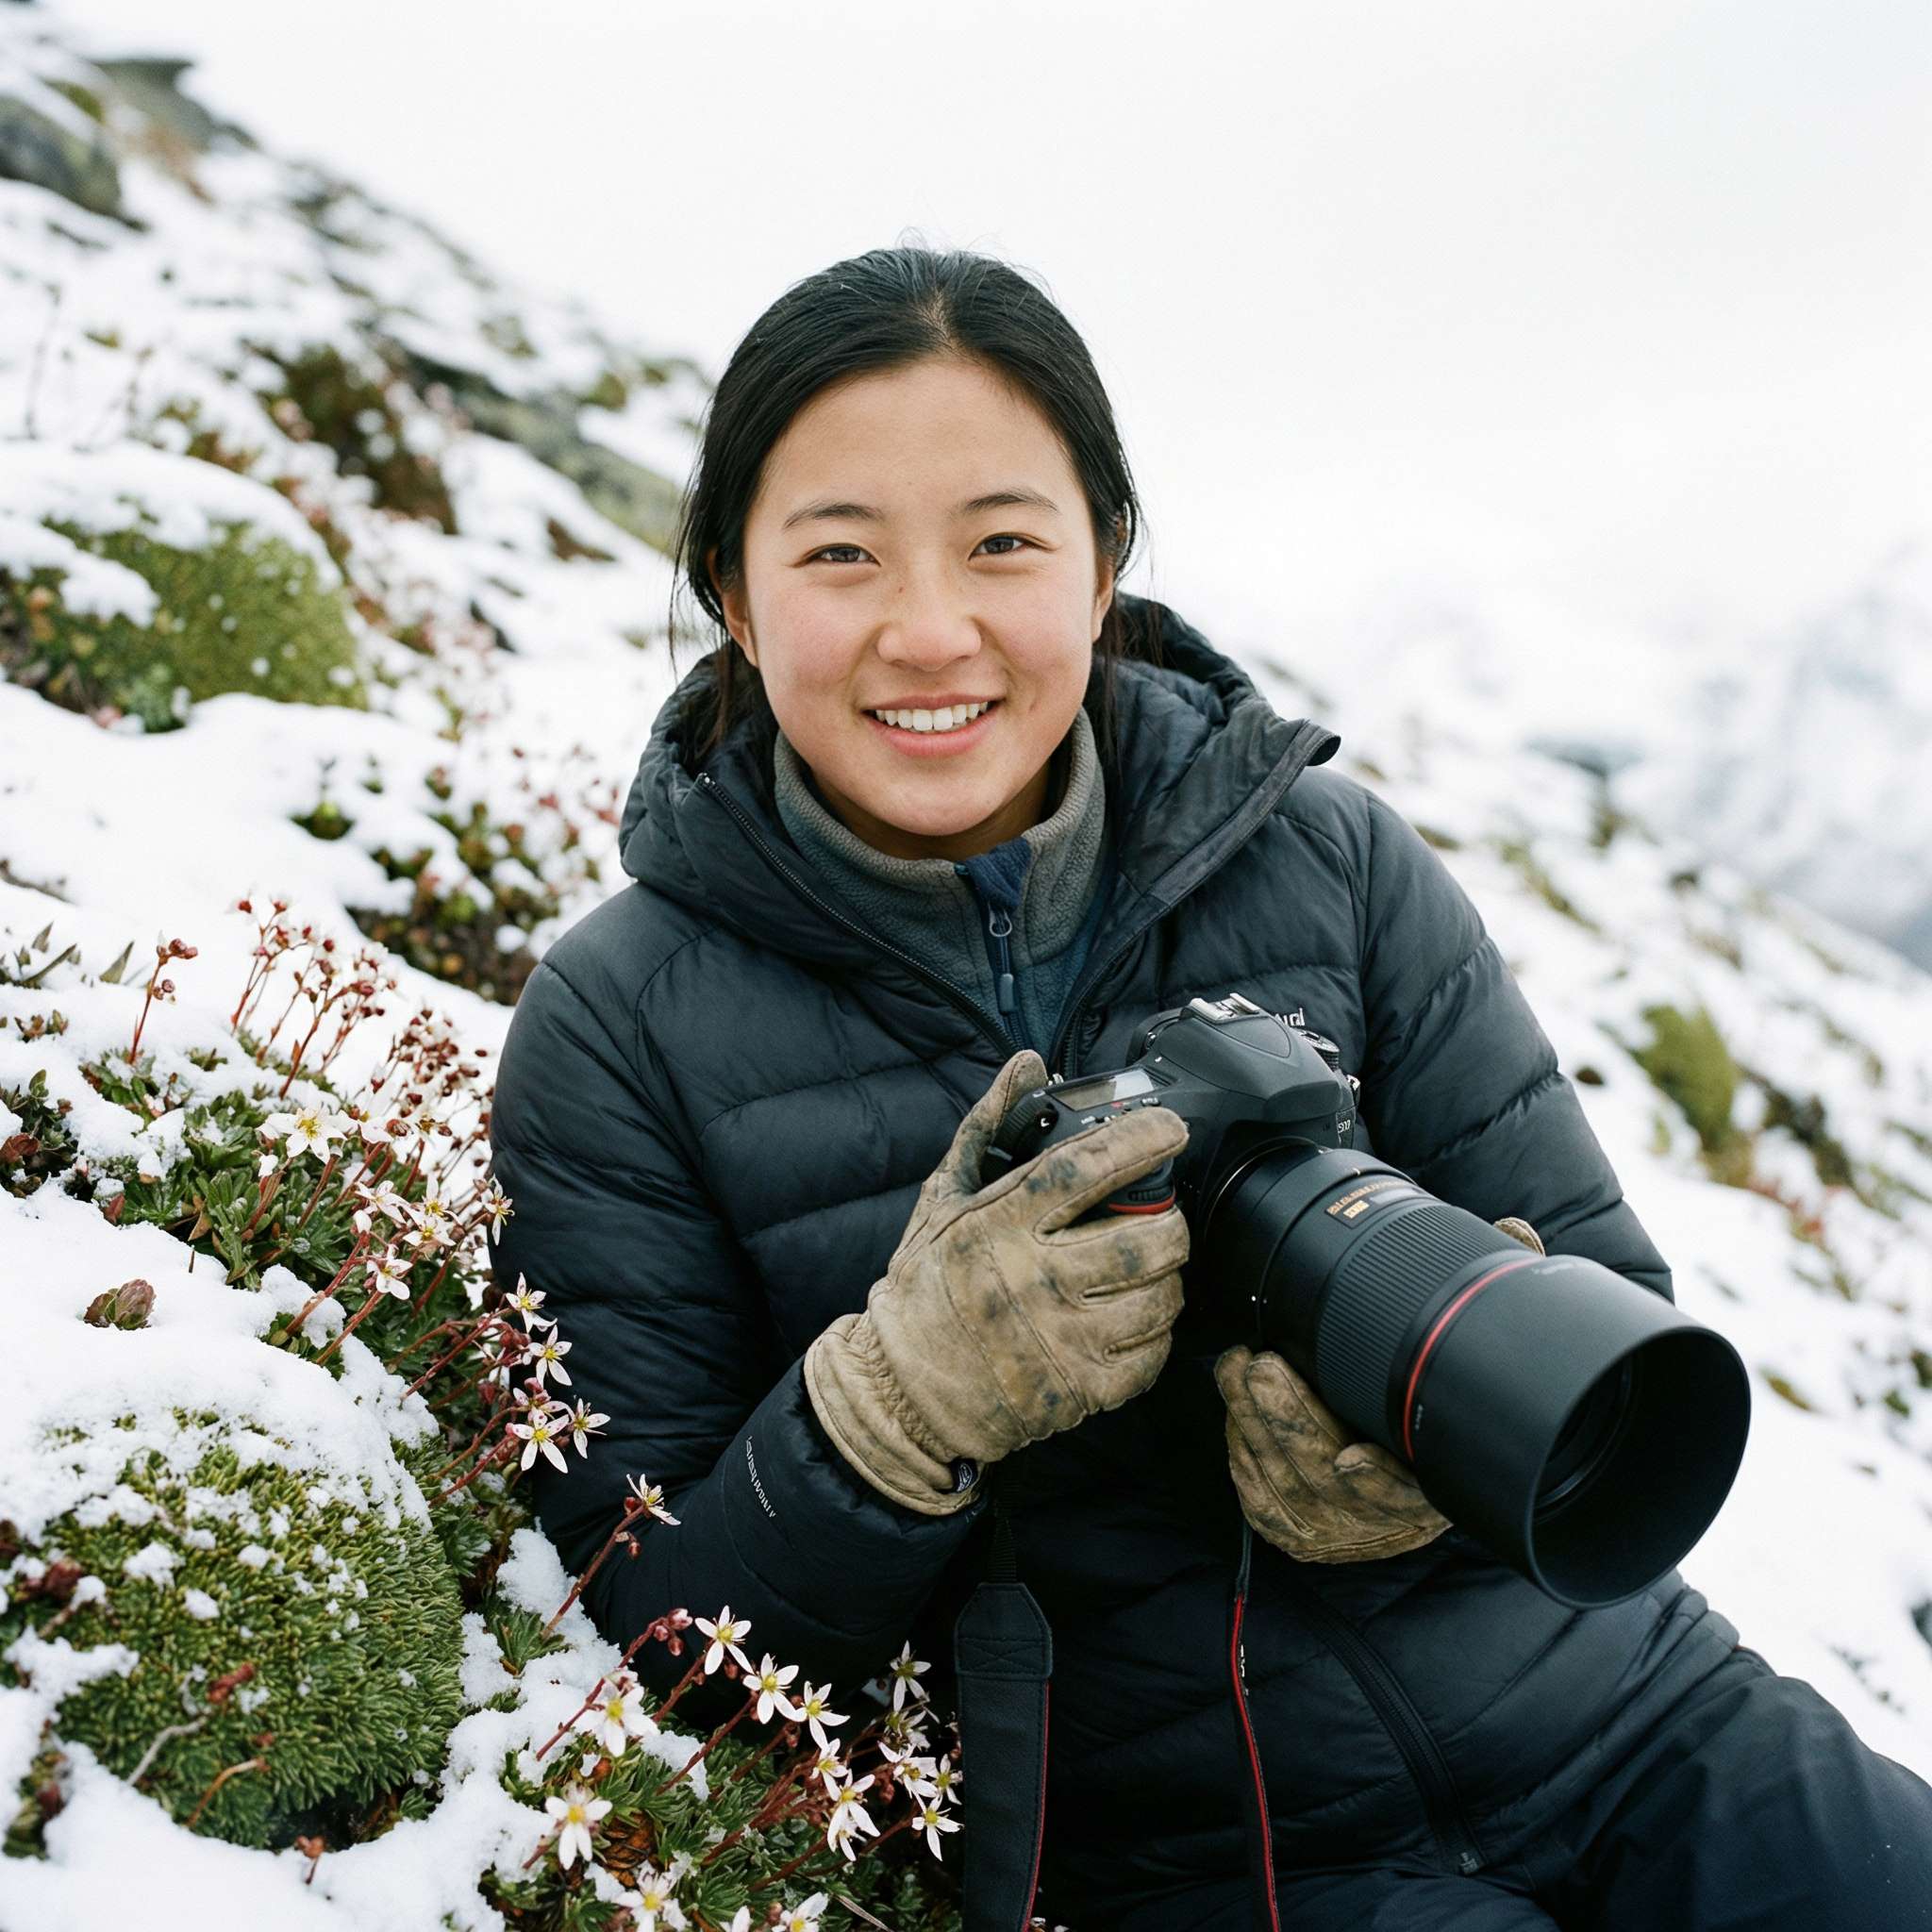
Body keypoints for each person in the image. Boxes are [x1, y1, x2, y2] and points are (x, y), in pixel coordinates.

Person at [485, 244, 1932, 1931]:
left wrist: (1415, 1480)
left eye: (1006, 543)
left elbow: (1618, 1323)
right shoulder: (620, 1025)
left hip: (1642, 1719)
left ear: (1105, 568)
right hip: (1209, 1865)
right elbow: (650, 1641)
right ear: (735, 593)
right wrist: (898, 1407)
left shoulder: (1328, 856)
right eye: (840, 555)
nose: (930, 627)